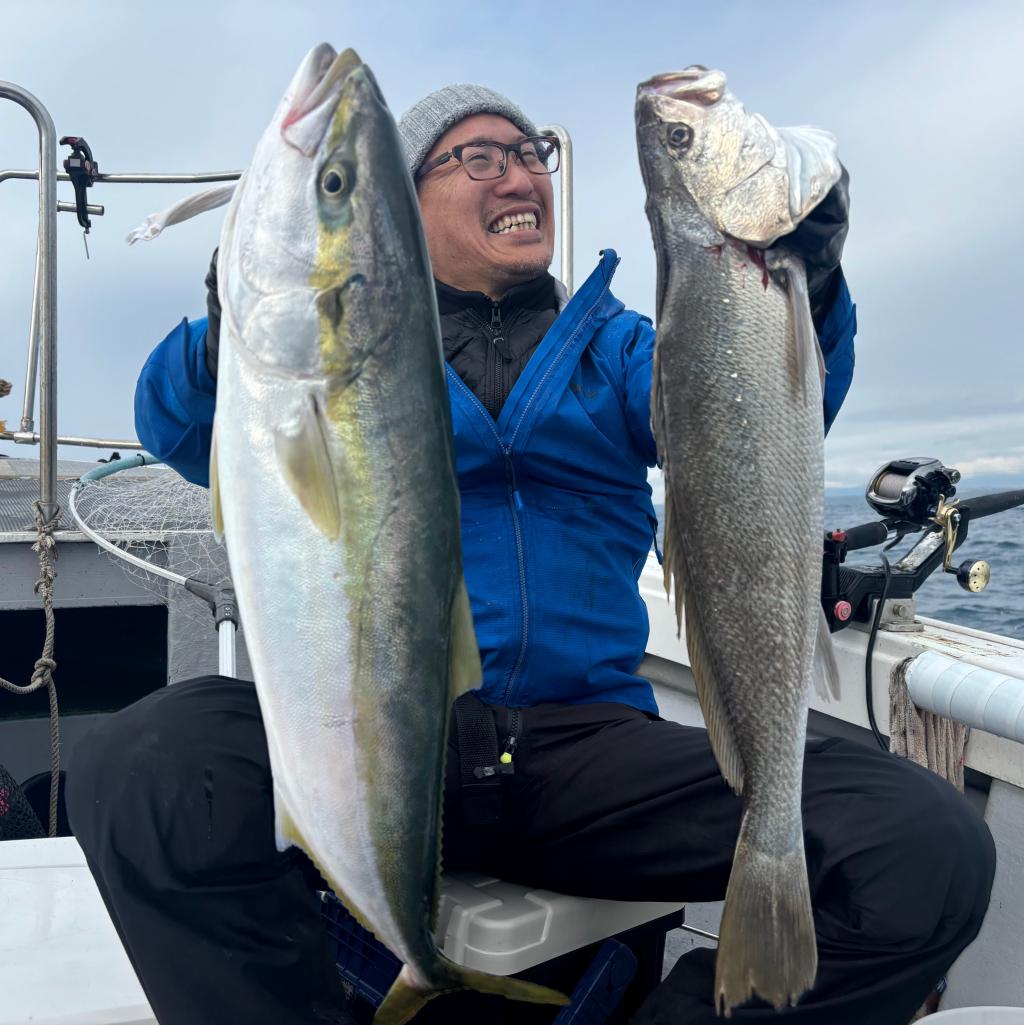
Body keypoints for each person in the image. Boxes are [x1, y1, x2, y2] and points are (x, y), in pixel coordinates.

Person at [67, 83, 994, 1025]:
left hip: (586, 749)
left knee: (927, 845)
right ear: (401, 204)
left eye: (529, 153)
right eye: (478, 156)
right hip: (382, 729)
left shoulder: (623, 347)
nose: (518, 173)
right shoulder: (335, 350)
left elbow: (753, 419)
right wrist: (234, 326)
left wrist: (811, 281)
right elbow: (179, 427)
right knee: (143, 765)